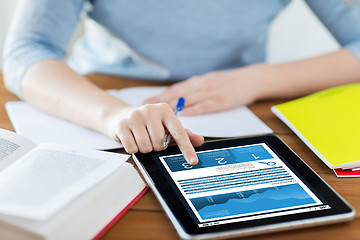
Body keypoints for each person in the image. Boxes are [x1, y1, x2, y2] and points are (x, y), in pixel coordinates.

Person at [3, 0, 360, 165]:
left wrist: (257, 79)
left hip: (236, 109)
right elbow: (25, 51)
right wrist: (114, 116)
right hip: (95, 98)